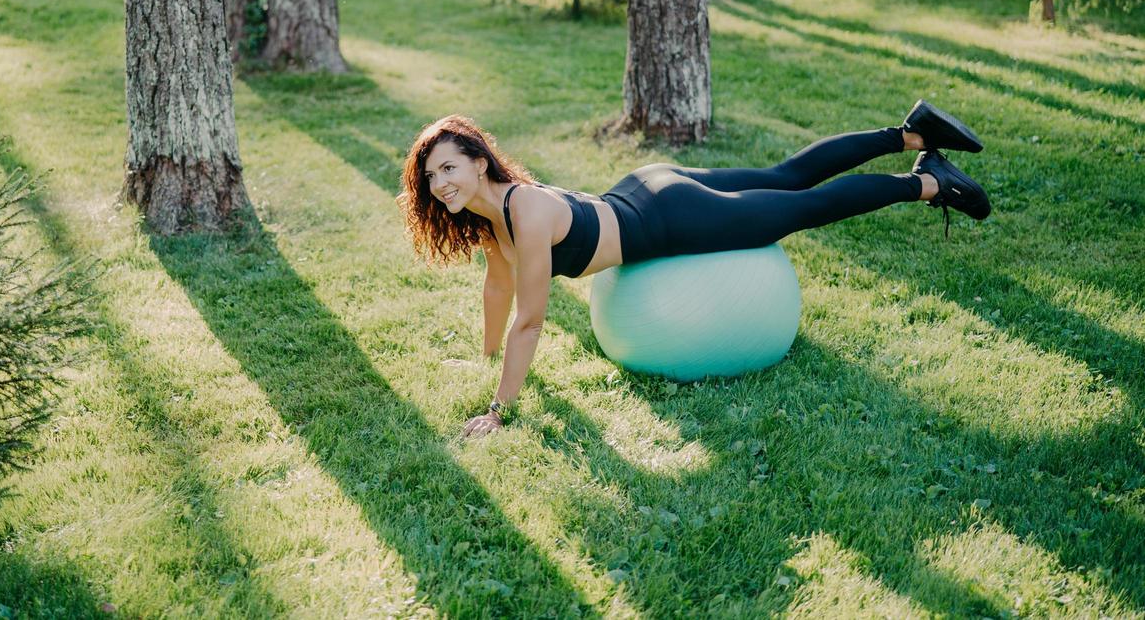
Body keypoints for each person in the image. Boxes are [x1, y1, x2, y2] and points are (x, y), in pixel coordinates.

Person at [395, 100, 992, 438]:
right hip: (646, 187)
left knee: (800, 204)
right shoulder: (497, 216)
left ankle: (929, 181)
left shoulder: (521, 213)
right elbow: (497, 291)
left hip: (671, 217)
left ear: (477, 161)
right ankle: (913, 131)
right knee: (785, 177)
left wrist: (498, 412)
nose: (440, 183)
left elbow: (530, 321)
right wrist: (483, 357)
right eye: (431, 177)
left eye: (449, 167)